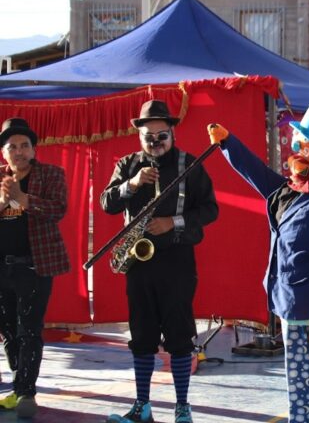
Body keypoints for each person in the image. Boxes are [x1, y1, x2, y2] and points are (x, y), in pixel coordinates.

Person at [207, 104, 309, 423]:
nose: (298, 146)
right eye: (298, 139)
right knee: (301, 398)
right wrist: (228, 143)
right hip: (293, 308)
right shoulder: (288, 191)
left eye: (307, 142)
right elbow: (256, 172)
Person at [100, 100, 218, 423]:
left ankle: (182, 407)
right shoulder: (127, 165)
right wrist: (132, 184)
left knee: (179, 335)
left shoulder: (189, 165)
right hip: (138, 263)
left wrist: (172, 223)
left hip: (177, 260)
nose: (155, 142)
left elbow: (210, 209)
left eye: (161, 135)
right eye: (148, 136)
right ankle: (143, 406)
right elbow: (106, 203)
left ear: (172, 133)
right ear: (139, 136)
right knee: (142, 335)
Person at [0, 117, 70, 418]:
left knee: (29, 330)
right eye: (12, 147)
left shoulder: (51, 174)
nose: (19, 151)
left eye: (24, 145)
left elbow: (58, 209)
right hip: (1, 268)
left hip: (34, 266)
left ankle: (26, 392)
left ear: (33, 149)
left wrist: (22, 198)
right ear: (4, 153)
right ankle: (20, 384)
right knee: (8, 331)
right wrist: (3, 200)